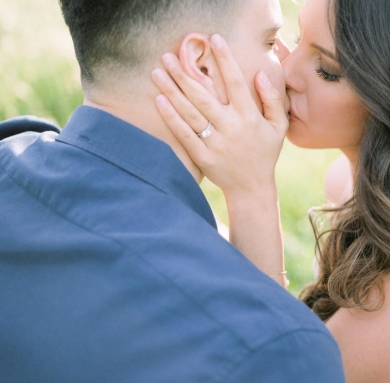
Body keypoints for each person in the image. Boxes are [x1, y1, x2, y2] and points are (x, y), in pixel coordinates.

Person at [152, 0, 390, 381]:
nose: (286, 72)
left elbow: (288, 374)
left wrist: (251, 191)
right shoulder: (344, 183)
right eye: (297, 39)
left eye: (327, 70)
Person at [0, 0, 347, 382]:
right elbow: (268, 342)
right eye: (270, 41)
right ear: (202, 65)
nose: (285, 63)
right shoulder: (279, 349)